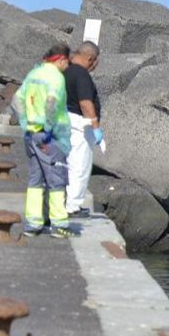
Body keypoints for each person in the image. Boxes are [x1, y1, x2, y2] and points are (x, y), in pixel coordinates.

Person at [17, 42, 74, 237]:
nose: (67, 67)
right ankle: (59, 224)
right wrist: (49, 128)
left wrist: (25, 124)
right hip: (50, 137)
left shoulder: (34, 74)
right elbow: (51, 103)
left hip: (32, 134)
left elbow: (17, 99)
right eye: (67, 63)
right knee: (57, 179)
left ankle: (33, 224)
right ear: (62, 60)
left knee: (35, 180)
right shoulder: (56, 77)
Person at [63, 40, 103, 217]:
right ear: (90, 58)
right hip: (80, 125)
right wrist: (95, 126)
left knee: (68, 164)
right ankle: (73, 206)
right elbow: (85, 103)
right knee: (80, 166)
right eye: (94, 62)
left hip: (66, 121)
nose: (94, 67)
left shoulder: (66, 71)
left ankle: (66, 202)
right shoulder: (81, 75)